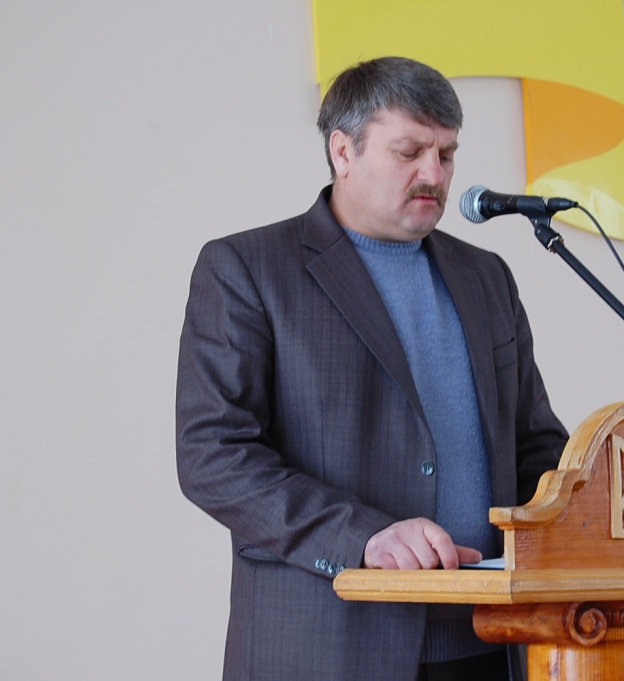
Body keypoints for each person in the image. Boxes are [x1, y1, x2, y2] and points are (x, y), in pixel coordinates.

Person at [176, 56, 569, 681]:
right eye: (409, 152)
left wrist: (601, 503)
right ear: (343, 151)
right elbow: (214, 456)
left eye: (446, 154)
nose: (434, 174)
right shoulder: (247, 269)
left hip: (488, 643)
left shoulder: (486, 277)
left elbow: (535, 445)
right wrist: (363, 538)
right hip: (328, 648)